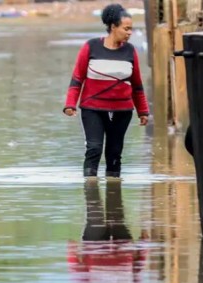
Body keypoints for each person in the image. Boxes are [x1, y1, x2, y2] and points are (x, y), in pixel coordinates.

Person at [64, 3, 150, 178]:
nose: (130, 32)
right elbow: (77, 78)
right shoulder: (91, 47)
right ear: (113, 27)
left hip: (122, 110)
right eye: (126, 28)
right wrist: (70, 104)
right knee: (94, 148)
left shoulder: (130, 51)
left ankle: (113, 197)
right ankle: (91, 194)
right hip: (93, 108)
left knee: (114, 153)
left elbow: (137, 85)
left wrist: (143, 111)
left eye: (131, 29)